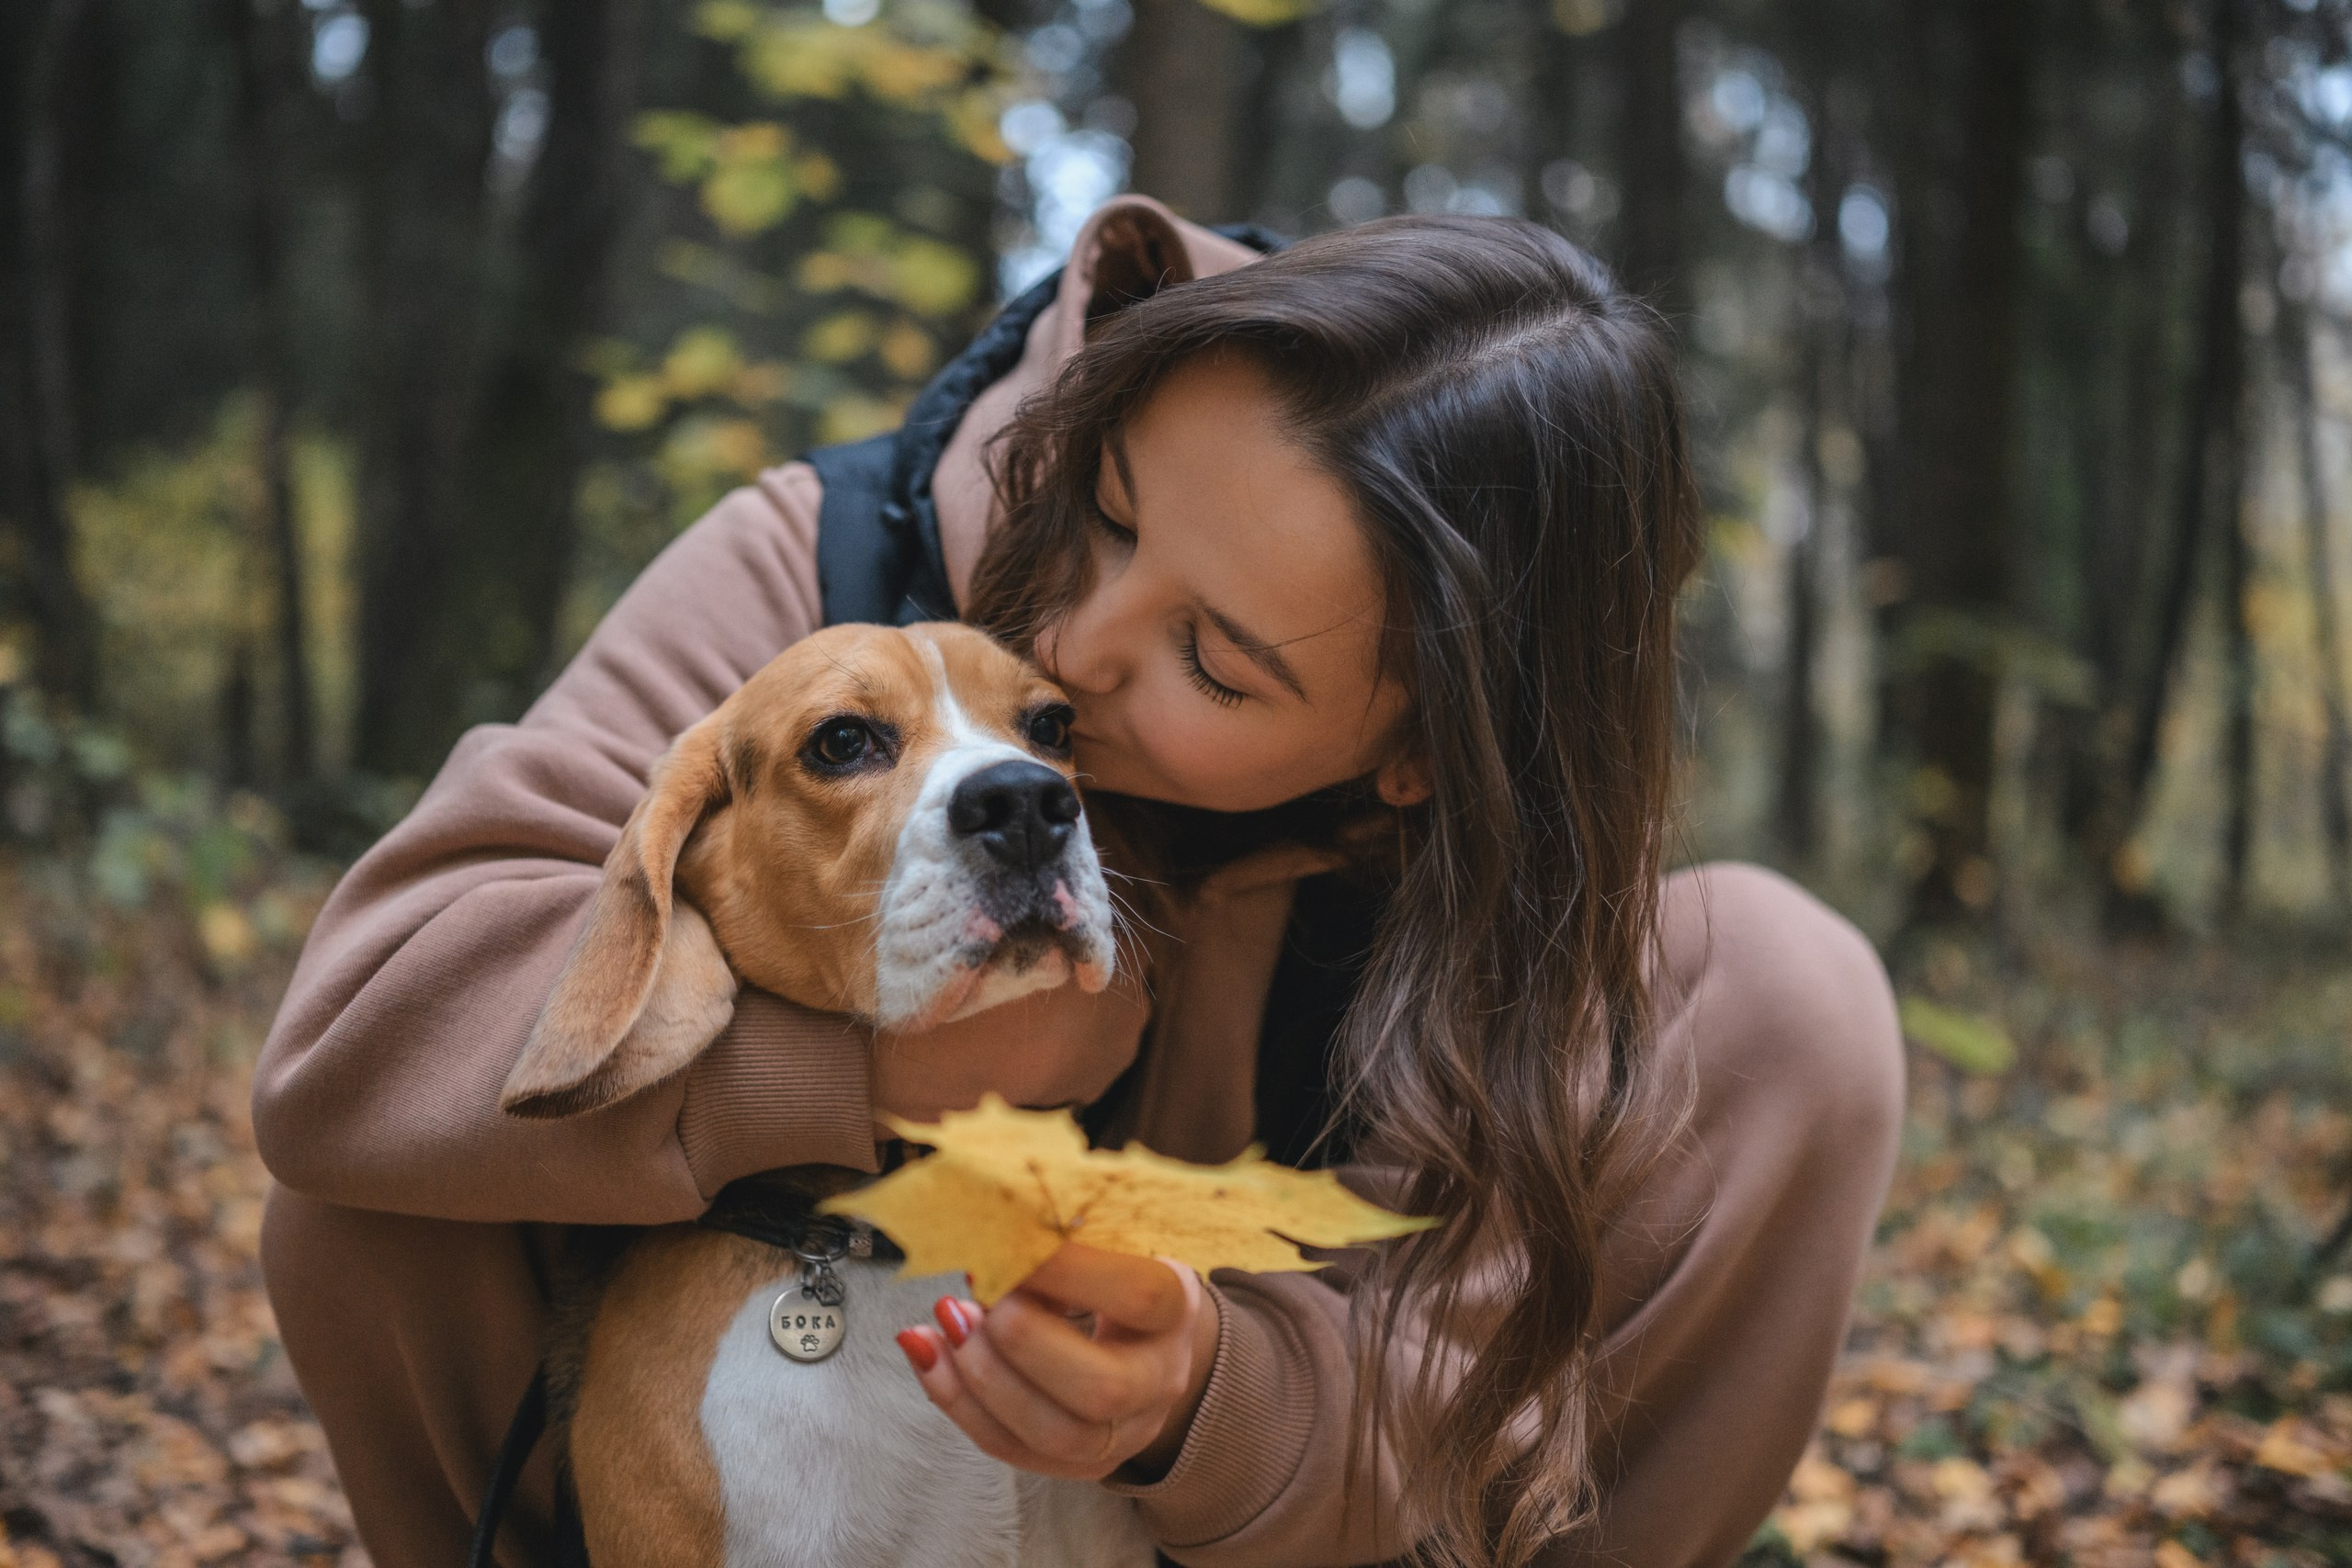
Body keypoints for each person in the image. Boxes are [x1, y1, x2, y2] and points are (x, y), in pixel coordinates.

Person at [254, 196, 1903, 1568]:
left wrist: (1206, 1401)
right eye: (1108, 516)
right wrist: (864, 1068)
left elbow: (1470, 1399)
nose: (1074, 647)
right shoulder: (823, 570)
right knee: (382, 1186)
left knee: (1797, 996)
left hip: (1244, 1488)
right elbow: (355, 1041)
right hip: (717, 1440)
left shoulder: (1497, 877)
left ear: (1422, 755)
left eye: (1213, 658)